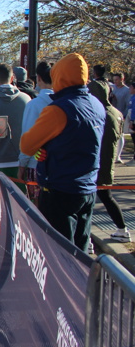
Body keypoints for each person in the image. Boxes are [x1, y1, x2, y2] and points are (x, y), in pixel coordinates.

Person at [20, 53, 105, 252]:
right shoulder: (96, 104)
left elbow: (27, 145)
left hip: (60, 188)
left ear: (59, 76)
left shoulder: (58, 109)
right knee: (81, 250)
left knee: (59, 253)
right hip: (88, 187)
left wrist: (43, 147)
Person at [87, 81, 128, 243]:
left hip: (95, 162)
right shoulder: (116, 113)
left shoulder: (97, 112)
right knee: (106, 197)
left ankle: (87, 239)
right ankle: (122, 229)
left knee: (88, 201)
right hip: (108, 162)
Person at [18, 61, 55, 203]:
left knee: (37, 206)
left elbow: (28, 137)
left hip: (36, 164)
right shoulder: (65, 102)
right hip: (60, 165)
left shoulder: (34, 105)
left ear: (38, 78)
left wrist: (22, 164)